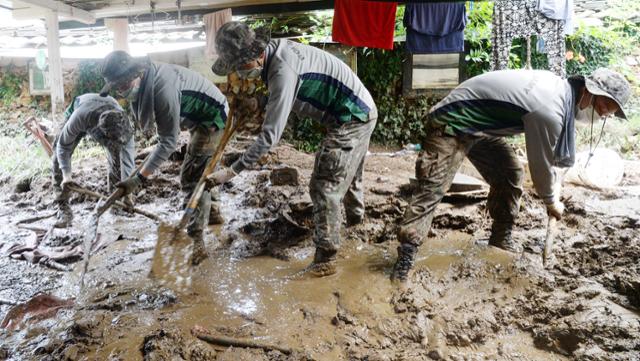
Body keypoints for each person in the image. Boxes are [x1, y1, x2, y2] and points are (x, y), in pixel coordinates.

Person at [391, 68, 631, 282]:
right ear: (592, 92)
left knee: (510, 172)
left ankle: (500, 238)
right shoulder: (550, 108)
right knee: (433, 188)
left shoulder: (562, 93)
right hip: (453, 121)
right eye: (607, 107)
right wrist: (552, 202)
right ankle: (404, 260)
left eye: (611, 111)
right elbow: (540, 169)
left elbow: (551, 158)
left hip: (480, 126)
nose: (607, 114)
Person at [207, 21, 378, 276]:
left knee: (324, 185)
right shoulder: (276, 53)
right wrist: (260, 102)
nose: (239, 74)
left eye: (240, 67)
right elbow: (284, 96)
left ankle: (326, 259)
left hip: (353, 115)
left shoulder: (282, 70)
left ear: (256, 54)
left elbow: (270, 137)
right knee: (348, 174)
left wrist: (232, 171)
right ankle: (356, 225)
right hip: (353, 111)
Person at [99, 50, 229, 265]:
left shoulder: (162, 89)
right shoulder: (147, 81)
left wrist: (139, 178)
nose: (121, 93)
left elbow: (169, 141)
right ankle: (213, 213)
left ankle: (196, 239)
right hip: (194, 116)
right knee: (201, 168)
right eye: (117, 88)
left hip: (211, 117)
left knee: (192, 177)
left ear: (136, 75)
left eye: (122, 86)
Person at [52, 93, 135, 228]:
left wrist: (127, 192)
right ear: (102, 132)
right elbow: (63, 146)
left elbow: (128, 160)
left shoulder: (125, 127)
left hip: (108, 110)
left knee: (117, 157)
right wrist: (66, 175)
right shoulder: (80, 117)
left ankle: (116, 204)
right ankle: (63, 209)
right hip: (83, 109)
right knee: (57, 157)